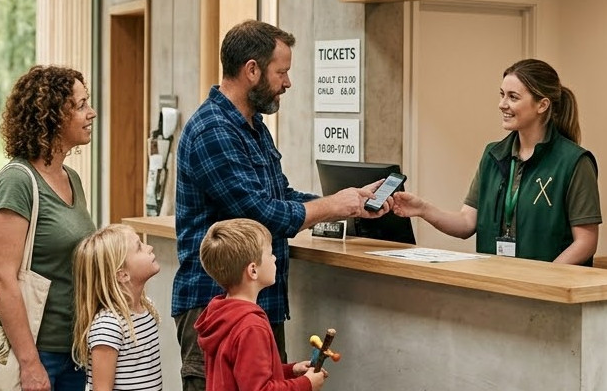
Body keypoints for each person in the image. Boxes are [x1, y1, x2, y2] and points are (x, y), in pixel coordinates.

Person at [172, 19, 382, 391]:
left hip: (260, 305)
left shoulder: (253, 126)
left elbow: (279, 195)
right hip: (213, 301)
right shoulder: (213, 130)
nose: (288, 83)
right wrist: (333, 206)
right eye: (281, 72)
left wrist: (350, 202)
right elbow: (261, 214)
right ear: (251, 70)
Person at [389, 58, 601, 265]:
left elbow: (585, 242)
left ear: (542, 105)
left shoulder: (574, 162)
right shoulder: (493, 155)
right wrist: (423, 209)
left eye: (513, 97)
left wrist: (545, 279)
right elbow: (466, 223)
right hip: (497, 285)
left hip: (548, 291)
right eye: (501, 95)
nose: (502, 104)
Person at [0, 65, 97, 391]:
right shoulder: (17, 181)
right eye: (80, 105)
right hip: (39, 352)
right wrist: (29, 362)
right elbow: (2, 277)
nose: (91, 113)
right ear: (51, 116)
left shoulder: (71, 178)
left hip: (75, 348)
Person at [194, 219, 326, 391]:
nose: (275, 258)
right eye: (270, 253)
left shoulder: (220, 315)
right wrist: (306, 384)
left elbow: (245, 375)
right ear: (253, 270)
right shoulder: (251, 327)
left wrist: (290, 371)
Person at [72, 224, 162, 391]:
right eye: (139, 247)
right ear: (122, 274)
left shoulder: (146, 309)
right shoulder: (109, 325)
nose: (149, 247)